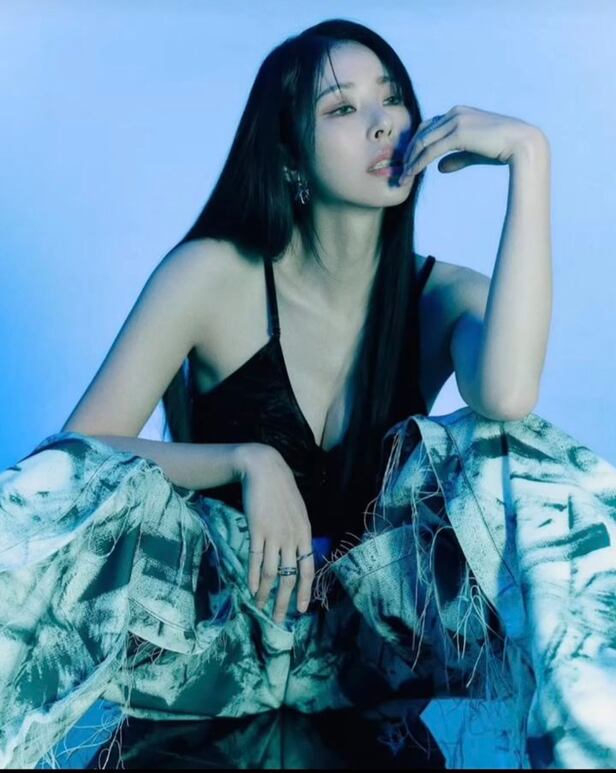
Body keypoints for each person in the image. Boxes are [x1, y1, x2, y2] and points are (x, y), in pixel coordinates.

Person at [1, 17, 615, 770]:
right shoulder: (212, 274)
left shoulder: (443, 295)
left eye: (392, 98)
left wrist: (530, 155)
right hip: (210, 645)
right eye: (343, 108)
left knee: (509, 449)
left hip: (367, 655)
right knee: (54, 490)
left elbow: (509, 395)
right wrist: (246, 461)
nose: (384, 122)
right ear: (291, 158)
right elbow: (72, 465)